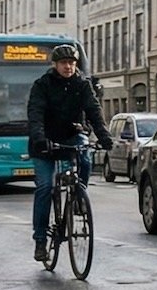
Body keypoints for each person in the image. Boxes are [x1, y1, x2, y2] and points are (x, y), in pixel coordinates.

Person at [26, 44, 111, 265]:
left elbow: (94, 110)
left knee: (84, 155)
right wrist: (39, 138)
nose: (68, 67)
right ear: (55, 65)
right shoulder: (42, 85)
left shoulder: (82, 85)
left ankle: (78, 197)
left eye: (72, 63)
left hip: (71, 135)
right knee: (45, 187)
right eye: (64, 63)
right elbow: (35, 114)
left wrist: (104, 137)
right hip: (45, 142)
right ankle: (41, 240)